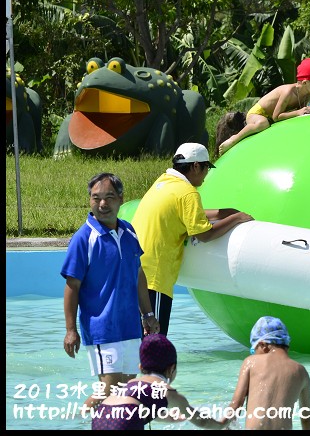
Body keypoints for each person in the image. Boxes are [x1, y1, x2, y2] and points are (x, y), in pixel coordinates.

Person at [132, 142, 254, 336]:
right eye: (206, 167)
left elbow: (183, 213)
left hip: (135, 273)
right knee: (154, 346)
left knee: (137, 344)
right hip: (154, 278)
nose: (206, 174)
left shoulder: (164, 183)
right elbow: (204, 235)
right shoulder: (188, 192)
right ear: (196, 166)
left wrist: (223, 212)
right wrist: (236, 218)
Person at [61, 172, 160, 412]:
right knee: (108, 390)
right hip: (102, 329)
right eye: (96, 198)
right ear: (90, 200)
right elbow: (71, 287)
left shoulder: (129, 232)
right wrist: (71, 330)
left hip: (130, 326)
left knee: (127, 390)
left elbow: (138, 274)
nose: (102, 204)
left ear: (120, 199)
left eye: (109, 197)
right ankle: (74, 422)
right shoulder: (83, 238)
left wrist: (147, 315)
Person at [91, 333, 228, 430]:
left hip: (100, 415)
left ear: (140, 367)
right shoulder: (167, 391)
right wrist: (222, 424)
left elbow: (128, 408)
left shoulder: (131, 384)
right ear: (172, 369)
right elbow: (202, 422)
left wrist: (168, 417)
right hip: (125, 422)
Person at [217, 57, 310, 155]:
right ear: (305, 82)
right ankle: (234, 139)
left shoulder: (306, 95)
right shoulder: (288, 92)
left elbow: (298, 113)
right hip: (258, 113)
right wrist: (299, 112)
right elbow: (276, 116)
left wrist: (307, 111)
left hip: (269, 118)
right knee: (263, 123)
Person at [220, 316, 310, 430]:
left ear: (263, 345)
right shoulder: (301, 372)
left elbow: (235, 406)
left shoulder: (251, 362)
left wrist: (222, 425)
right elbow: (306, 418)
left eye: (253, 350)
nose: (254, 354)